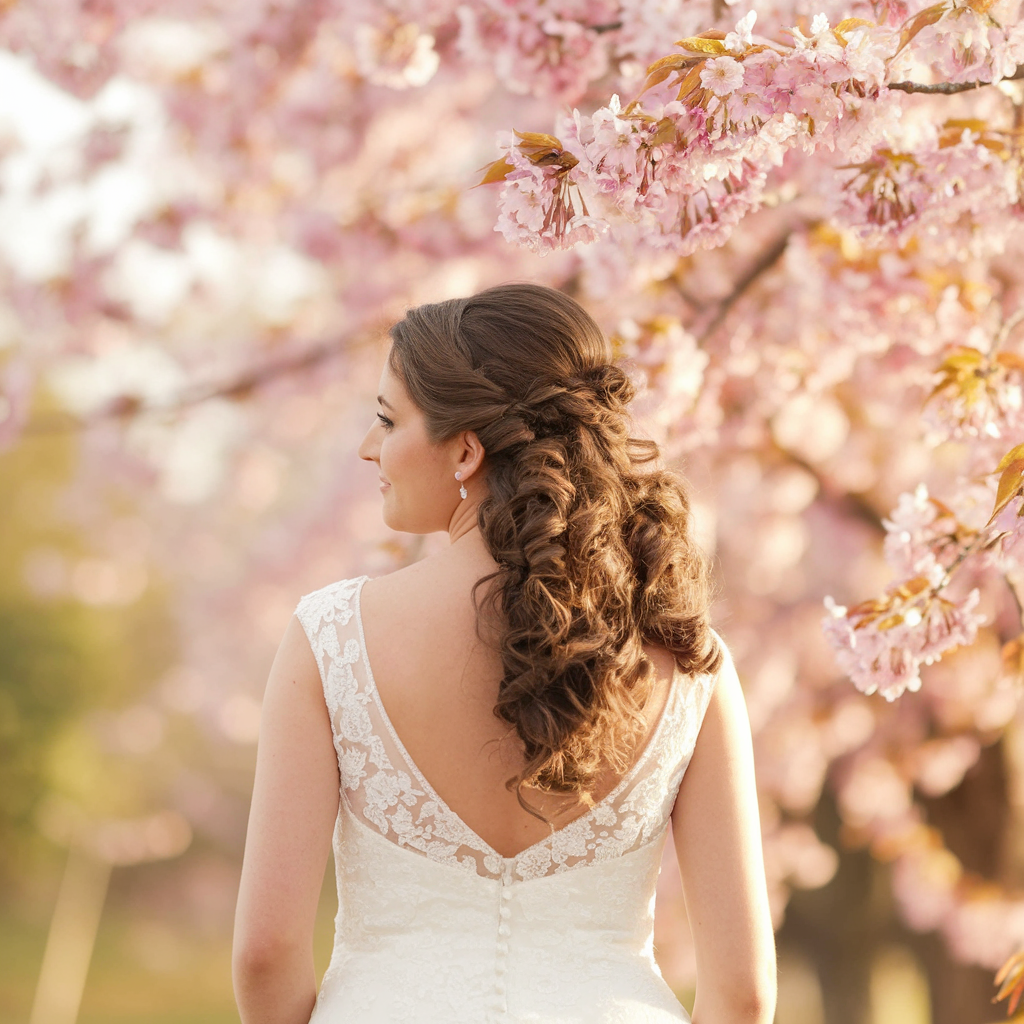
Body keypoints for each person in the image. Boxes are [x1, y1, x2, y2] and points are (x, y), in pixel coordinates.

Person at [232, 283, 777, 1024]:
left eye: (388, 420)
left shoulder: (330, 637)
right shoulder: (687, 659)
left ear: (466, 449)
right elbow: (743, 993)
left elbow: (266, 952)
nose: (368, 447)